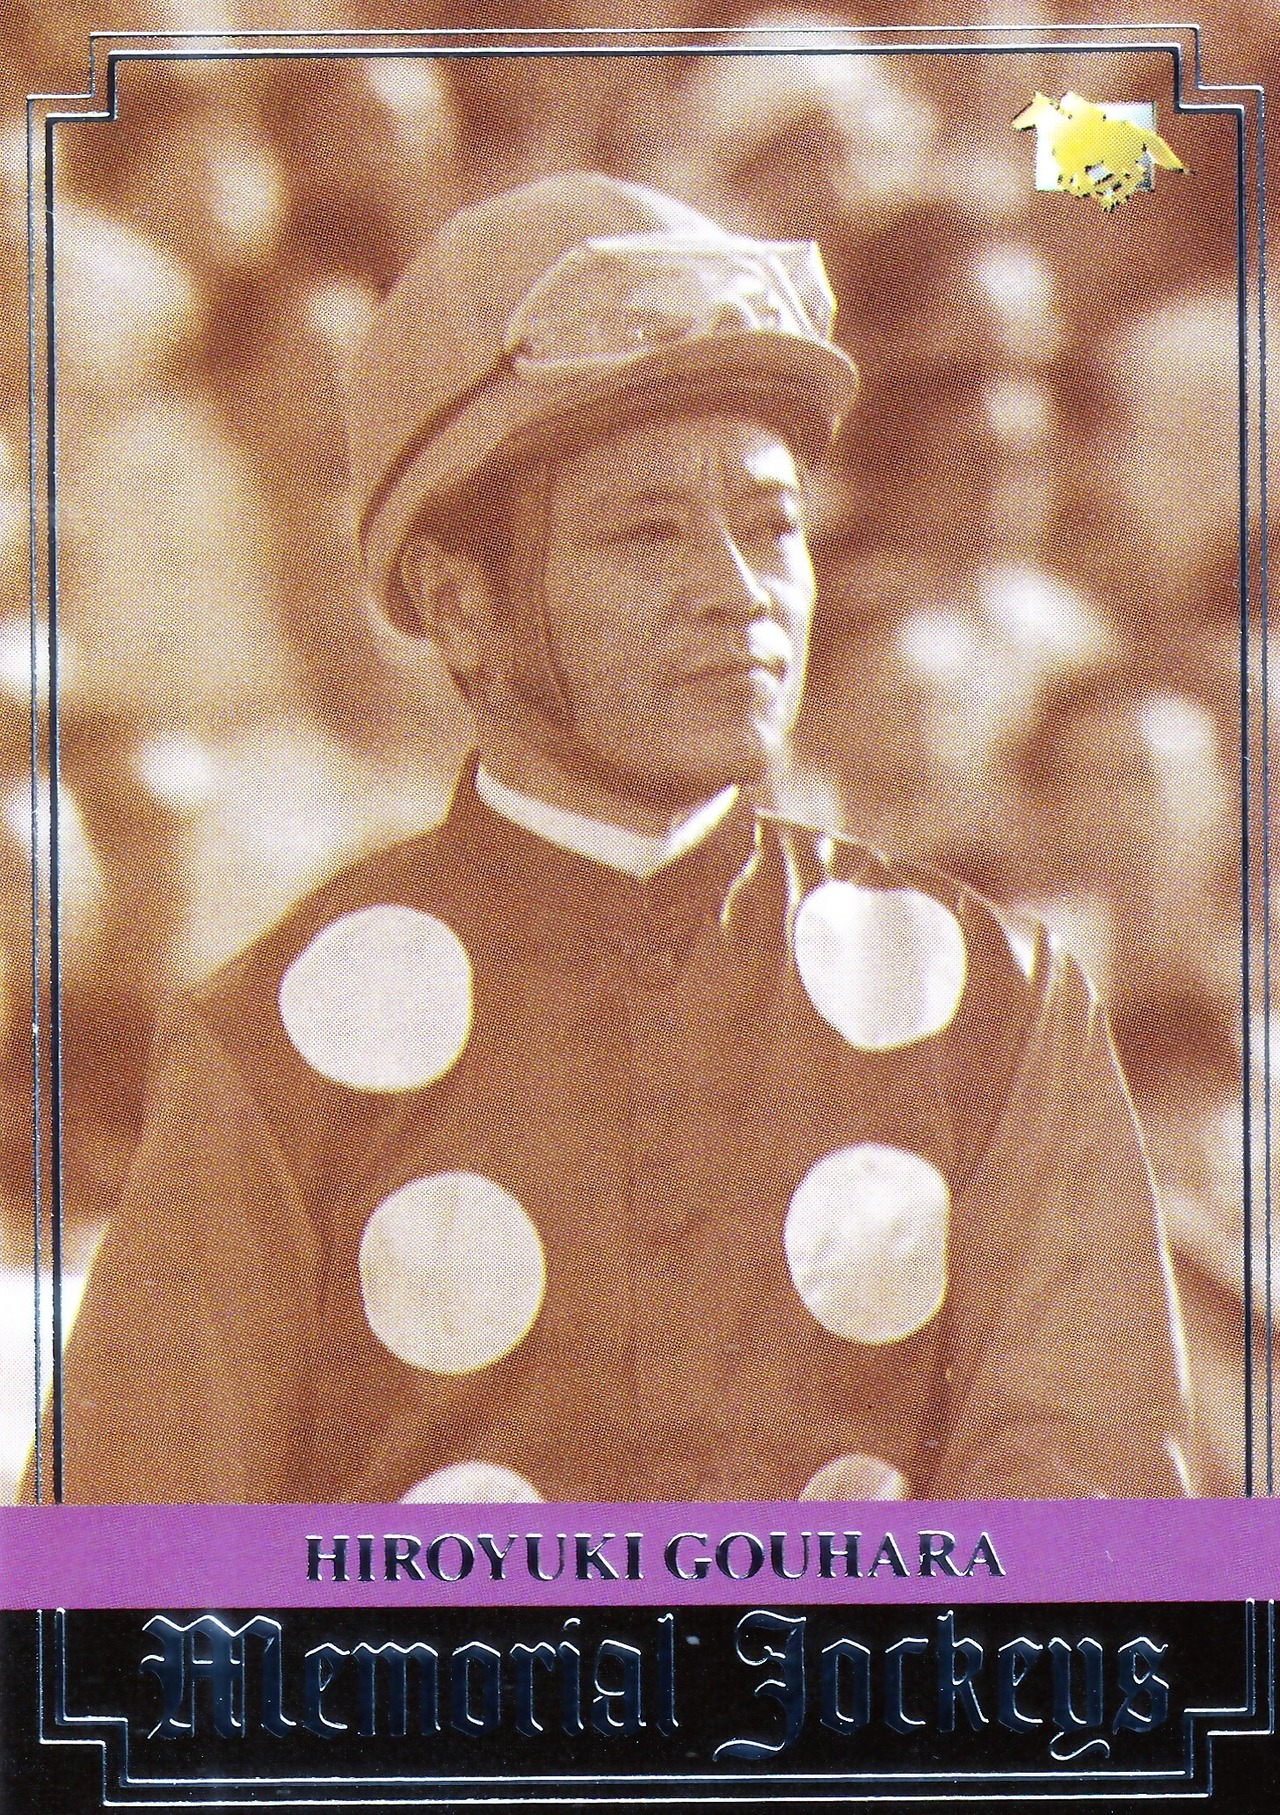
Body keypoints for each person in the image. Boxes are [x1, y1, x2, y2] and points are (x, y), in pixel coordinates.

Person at [35, 172, 1190, 1503]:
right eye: (649, 534)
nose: (740, 593)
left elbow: (1097, 1551)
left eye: (770, 526)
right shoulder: (276, 1045)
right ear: (459, 606)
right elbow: (122, 1569)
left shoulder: (1002, 1008)